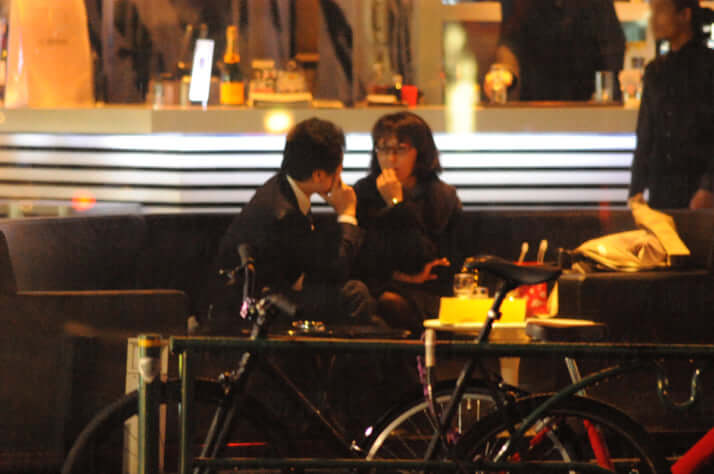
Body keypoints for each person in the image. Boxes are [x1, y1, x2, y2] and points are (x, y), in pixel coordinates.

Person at [211, 117, 375, 326]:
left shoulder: (281, 186)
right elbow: (333, 272)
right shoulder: (285, 214)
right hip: (253, 310)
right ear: (318, 175)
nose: (340, 175)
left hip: (265, 295)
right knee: (355, 295)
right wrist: (347, 213)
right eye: (338, 168)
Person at [353, 112, 466, 334]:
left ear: (420, 152)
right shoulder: (363, 192)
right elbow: (361, 260)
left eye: (401, 149)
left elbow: (431, 262)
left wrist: (396, 204)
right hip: (376, 290)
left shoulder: (441, 196)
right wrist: (402, 276)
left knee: (391, 304)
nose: (391, 158)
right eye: (383, 149)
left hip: (428, 294)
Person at [629, 0, 714, 210]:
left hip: (699, 187)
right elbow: (645, 134)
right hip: (661, 189)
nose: (653, 20)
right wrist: (636, 190)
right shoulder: (655, 70)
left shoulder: (708, 67)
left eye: (660, 11)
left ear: (684, 15)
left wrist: (709, 186)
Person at [484, 0, 625, 102]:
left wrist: (605, 93)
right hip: (535, 103)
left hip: (586, 102)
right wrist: (505, 71)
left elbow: (612, 48)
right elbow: (510, 41)